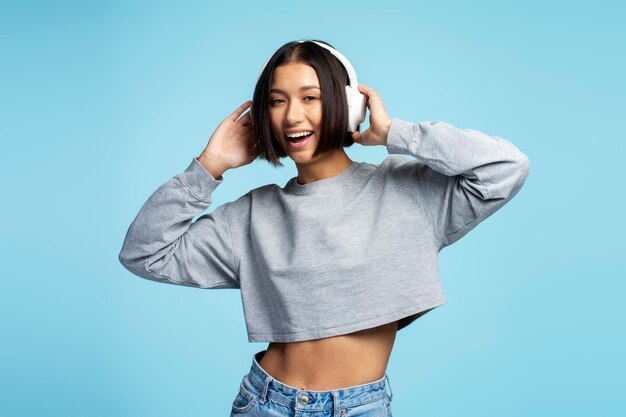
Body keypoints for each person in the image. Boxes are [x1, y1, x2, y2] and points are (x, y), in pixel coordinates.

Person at [118, 39, 531, 417]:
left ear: (346, 105)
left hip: (361, 406)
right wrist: (208, 167)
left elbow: (505, 167)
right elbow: (144, 253)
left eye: (310, 98)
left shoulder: (409, 193)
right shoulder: (250, 217)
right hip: (266, 404)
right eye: (277, 101)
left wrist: (395, 134)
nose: (292, 115)